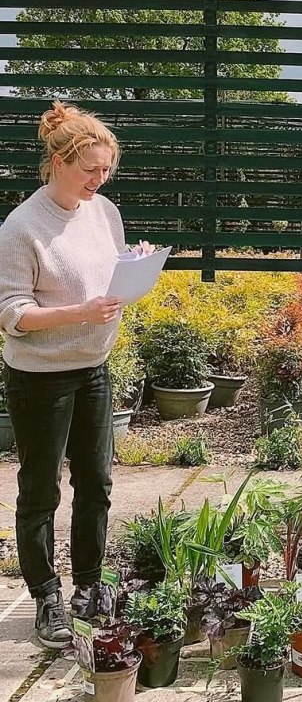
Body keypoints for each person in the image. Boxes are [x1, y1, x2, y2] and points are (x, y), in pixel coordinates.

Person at [0, 101, 150, 648]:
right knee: (41, 490)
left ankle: (88, 586)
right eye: (90, 169)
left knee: (97, 484)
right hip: (40, 377)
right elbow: (11, 313)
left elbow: (108, 272)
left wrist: (135, 268)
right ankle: (46, 596)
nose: (100, 178)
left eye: (107, 169)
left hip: (94, 369)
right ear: (58, 162)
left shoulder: (104, 212)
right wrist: (79, 313)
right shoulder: (22, 227)